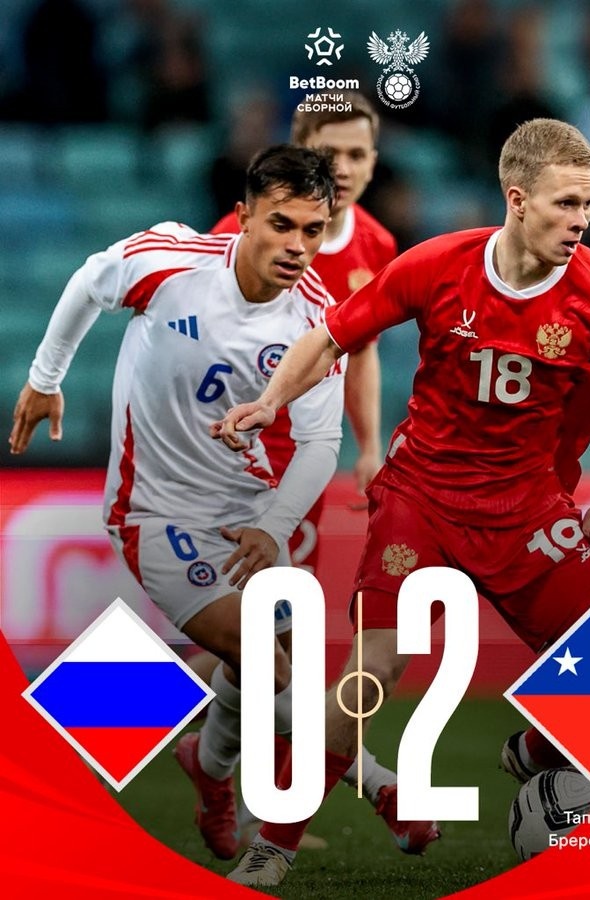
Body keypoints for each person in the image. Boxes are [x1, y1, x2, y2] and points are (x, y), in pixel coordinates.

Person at [216, 118, 590, 887]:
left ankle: (534, 753)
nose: (581, 221)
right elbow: (329, 336)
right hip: (422, 500)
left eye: (589, 204)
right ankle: (274, 845)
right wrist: (270, 401)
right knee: (371, 673)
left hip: (529, 513)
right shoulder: (440, 265)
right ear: (517, 200)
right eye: (565, 204)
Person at [7, 145, 430, 866]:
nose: (297, 246)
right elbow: (89, 281)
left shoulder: (318, 320)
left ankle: (208, 767)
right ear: (244, 217)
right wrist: (46, 378)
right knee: (265, 659)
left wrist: (272, 526)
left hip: (249, 514)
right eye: (282, 225)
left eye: (313, 230)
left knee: (255, 663)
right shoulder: (171, 261)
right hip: (154, 510)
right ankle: (383, 784)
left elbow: (321, 439)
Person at [212, 91, 396, 573]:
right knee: (234, 602)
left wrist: (370, 448)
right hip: (233, 448)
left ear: (373, 162)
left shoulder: (377, 245)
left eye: (357, 155)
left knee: (283, 603)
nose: (344, 169)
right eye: (330, 153)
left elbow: (362, 352)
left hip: (304, 458)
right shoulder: (237, 234)